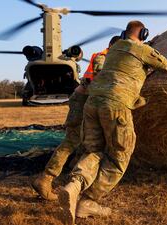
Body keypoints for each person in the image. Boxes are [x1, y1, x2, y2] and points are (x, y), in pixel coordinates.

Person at [58, 20, 167, 224]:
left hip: (92, 103)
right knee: (120, 154)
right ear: (143, 34)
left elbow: (133, 66)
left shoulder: (116, 48)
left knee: (94, 150)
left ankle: (74, 184)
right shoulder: (142, 49)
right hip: (116, 105)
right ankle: (88, 201)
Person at [32, 36, 121, 201]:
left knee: (85, 140)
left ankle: (70, 176)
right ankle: (45, 179)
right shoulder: (103, 56)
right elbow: (103, 78)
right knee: (71, 140)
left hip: (87, 100)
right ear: (113, 45)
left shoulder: (111, 57)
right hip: (82, 100)